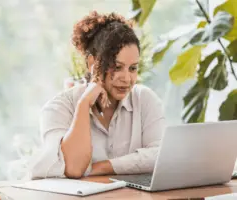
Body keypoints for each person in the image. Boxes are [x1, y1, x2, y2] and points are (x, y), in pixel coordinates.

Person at [29, 11, 166, 179]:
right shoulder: (58, 108)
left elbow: (161, 156)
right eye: (117, 67)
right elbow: (73, 168)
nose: (127, 78)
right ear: (93, 63)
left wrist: (103, 167)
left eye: (132, 68)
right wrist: (84, 104)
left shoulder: (144, 99)